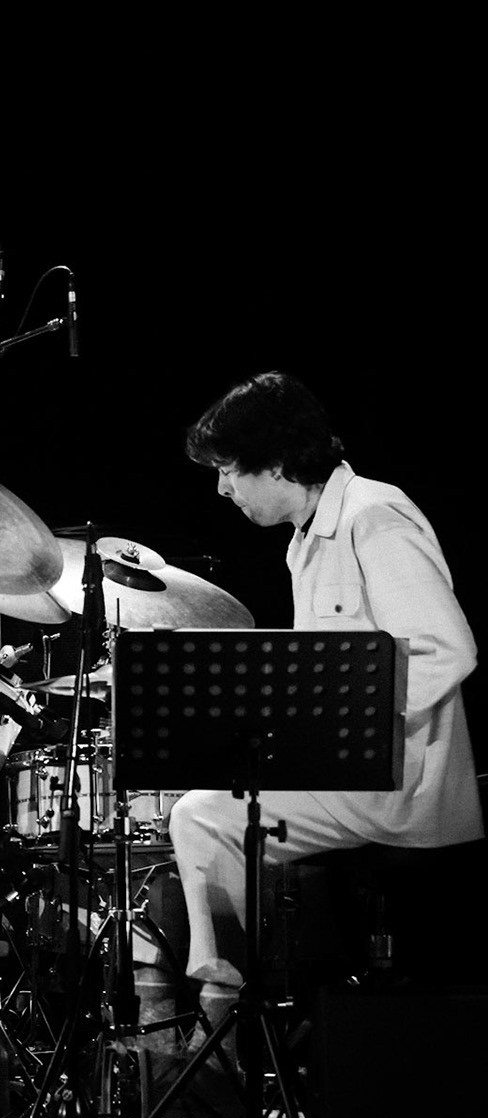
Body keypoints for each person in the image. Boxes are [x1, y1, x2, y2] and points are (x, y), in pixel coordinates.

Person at [167, 371, 480, 1031]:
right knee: (202, 799)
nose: (222, 487)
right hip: (352, 771)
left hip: (394, 782)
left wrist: (346, 734)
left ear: (276, 465)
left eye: (227, 469)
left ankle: (221, 1022)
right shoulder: (308, 537)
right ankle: (252, 1012)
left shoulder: (373, 513)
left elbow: (447, 650)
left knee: (201, 817)